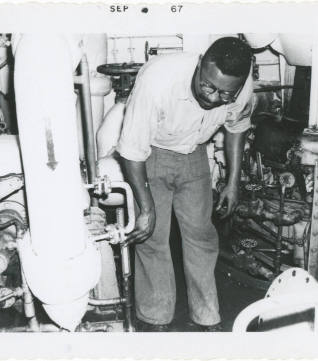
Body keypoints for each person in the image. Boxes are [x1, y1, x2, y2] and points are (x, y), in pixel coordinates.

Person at [116, 37, 253, 332]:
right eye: (207, 86)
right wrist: (146, 207)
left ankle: (207, 316)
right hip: (151, 154)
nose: (214, 98)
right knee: (152, 236)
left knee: (202, 237)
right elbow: (131, 151)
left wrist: (233, 183)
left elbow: (237, 127)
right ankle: (156, 317)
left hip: (194, 154)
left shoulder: (240, 87)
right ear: (201, 62)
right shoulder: (158, 79)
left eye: (224, 94)